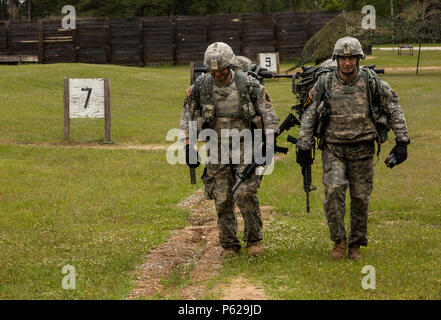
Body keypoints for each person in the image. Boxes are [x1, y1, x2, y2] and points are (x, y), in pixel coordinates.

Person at [296, 37, 410, 260]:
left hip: (362, 149)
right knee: (333, 191)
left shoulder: (370, 80)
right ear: (336, 59)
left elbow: (393, 105)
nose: (347, 62)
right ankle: (339, 241)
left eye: (351, 58)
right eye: (343, 58)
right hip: (333, 148)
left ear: (359, 59)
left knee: (360, 197)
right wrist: (303, 143)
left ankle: (355, 244)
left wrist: (402, 140)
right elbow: (309, 114)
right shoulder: (325, 82)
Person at [180, 42, 280, 258]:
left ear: (230, 66)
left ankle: (254, 240)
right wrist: (188, 147)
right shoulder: (201, 87)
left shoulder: (249, 85)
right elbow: (187, 118)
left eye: (222, 70)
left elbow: (269, 119)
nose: (217, 74)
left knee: (245, 193)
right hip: (217, 151)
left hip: (247, 150)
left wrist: (268, 148)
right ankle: (229, 245)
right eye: (213, 71)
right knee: (222, 197)